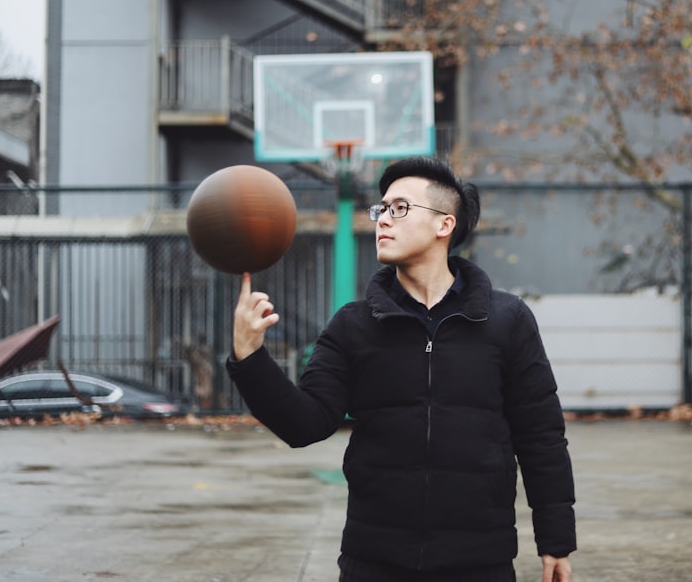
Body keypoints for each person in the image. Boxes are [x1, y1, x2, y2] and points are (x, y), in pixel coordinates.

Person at [228, 156, 576, 581]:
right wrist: (250, 359)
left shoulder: (507, 320)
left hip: (479, 561)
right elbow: (305, 424)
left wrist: (555, 539)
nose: (382, 220)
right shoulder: (353, 325)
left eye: (400, 208)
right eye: (381, 209)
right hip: (374, 561)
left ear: (444, 224)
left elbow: (540, 434)